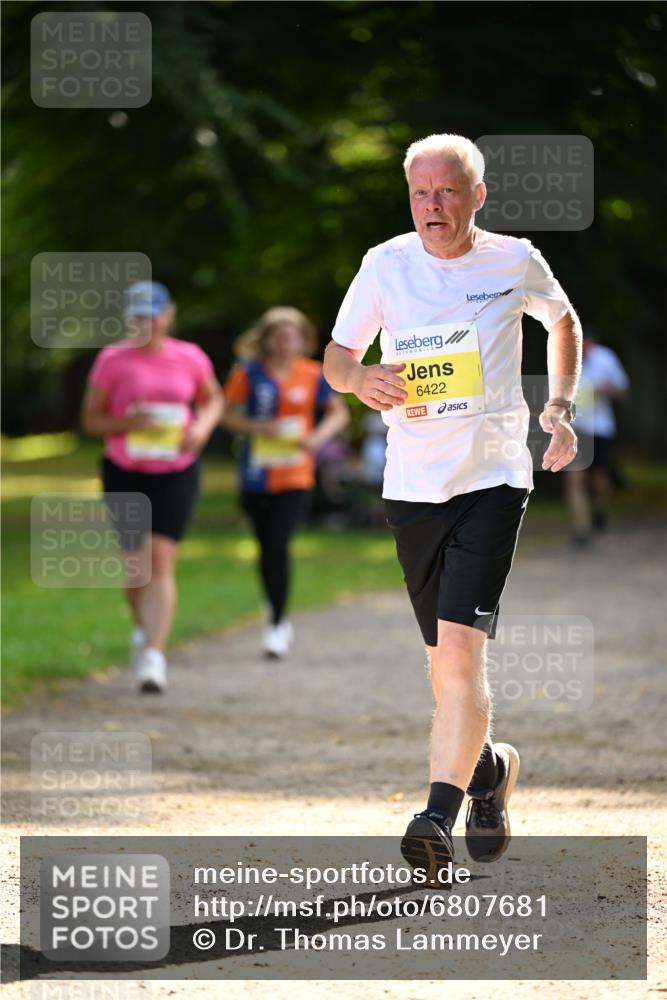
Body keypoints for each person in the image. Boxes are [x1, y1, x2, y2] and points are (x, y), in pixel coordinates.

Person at [323, 134, 581, 879]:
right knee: (442, 669)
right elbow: (339, 355)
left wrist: (557, 406)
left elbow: (560, 321)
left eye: (446, 191)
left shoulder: (513, 259)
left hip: (494, 478)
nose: (432, 207)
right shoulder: (385, 264)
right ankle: (490, 770)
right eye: (419, 193)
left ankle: (434, 814)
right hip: (412, 485)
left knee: (462, 655)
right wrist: (358, 379)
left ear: (477, 196)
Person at [81, 281, 223, 694]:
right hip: (126, 470)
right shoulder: (111, 360)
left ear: (167, 315)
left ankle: (154, 656)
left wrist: (200, 427)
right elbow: (91, 421)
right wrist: (128, 424)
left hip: (177, 469)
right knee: (135, 566)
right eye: (138, 315)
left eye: (152, 314)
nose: (146, 322)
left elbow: (213, 400)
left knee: (160, 558)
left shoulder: (190, 357)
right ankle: (143, 631)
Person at [222, 306, 349, 658]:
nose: (285, 341)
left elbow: (339, 413)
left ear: (302, 339)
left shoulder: (312, 374)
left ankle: (277, 622)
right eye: (278, 334)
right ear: (267, 339)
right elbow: (225, 414)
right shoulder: (248, 373)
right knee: (266, 548)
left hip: (296, 475)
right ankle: (274, 607)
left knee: (278, 544)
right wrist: (256, 427)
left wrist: (316, 439)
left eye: (291, 334)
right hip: (255, 475)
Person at [565, 335, 629, 545]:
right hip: (574, 429)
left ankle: (600, 507)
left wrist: (605, 389)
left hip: (600, 428)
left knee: (599, 478)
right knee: (575, 478)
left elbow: (622, 390)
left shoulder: (605, 358)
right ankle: (581, 528)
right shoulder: (562, 356)